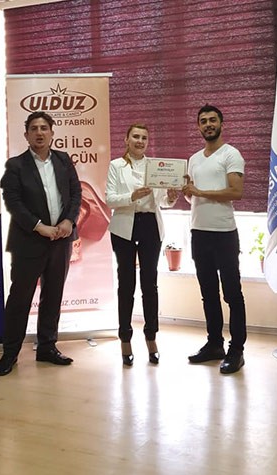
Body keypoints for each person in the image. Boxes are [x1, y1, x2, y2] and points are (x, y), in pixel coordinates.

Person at [0, 111, 82, 376]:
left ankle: (47, 347)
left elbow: (76, 193)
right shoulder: (16, 165)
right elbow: (13, 202)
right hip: (28, 242)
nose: (39, 132)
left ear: (52, 133)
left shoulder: (63, 160)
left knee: (53, 295)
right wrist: (39, 226)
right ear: (26, 135)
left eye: (44, 128)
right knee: (20, 299)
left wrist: (69, 221)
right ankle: (10, 353)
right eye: (34, 128)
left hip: (61, 240)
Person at [106, 123, 178, 366]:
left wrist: (170, 198)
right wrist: (132, 196)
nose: (140, 141)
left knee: (150, 284)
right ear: (126, 140)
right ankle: (125, 338)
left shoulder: (156, 167)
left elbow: (162, 202)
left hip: (150, 226)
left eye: (144, 138)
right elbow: (109, 199)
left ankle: (151, 338)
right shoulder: (116, 165)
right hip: (124, 227)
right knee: (126, 284)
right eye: (135, 136)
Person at [182, 105, 247, 374]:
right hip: (199, 232)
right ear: (198, 126)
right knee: (208, 293)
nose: (208, 124)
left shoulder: (231, 154)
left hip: (224, 234)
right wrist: (187, 192)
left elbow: (236, 192)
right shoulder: (194, 159)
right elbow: (193, 196)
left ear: (221, 123)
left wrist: (199, 191)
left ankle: (237, 350)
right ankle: (214, 344)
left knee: (232, 293)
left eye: (212, 120)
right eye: (203, 121)